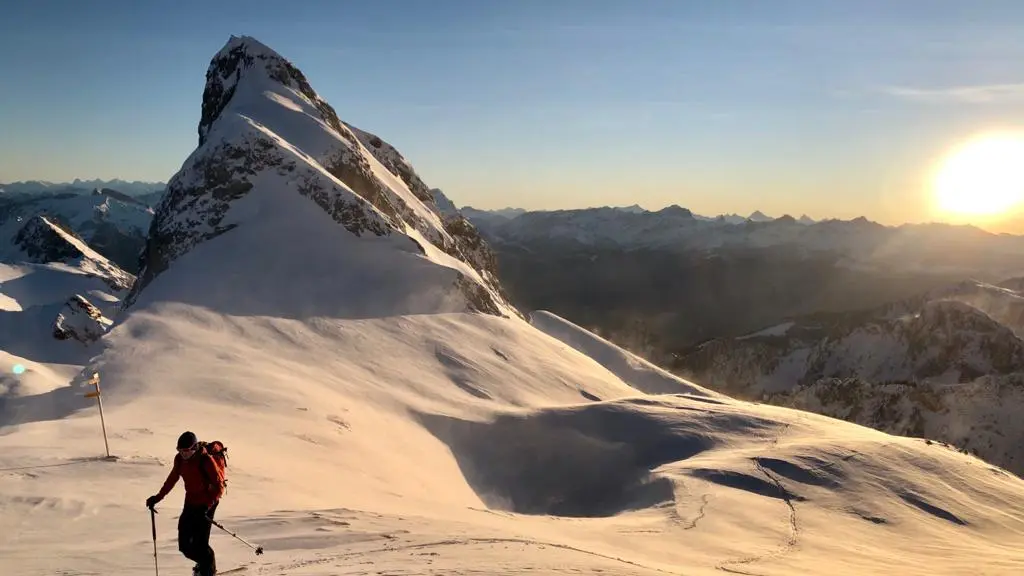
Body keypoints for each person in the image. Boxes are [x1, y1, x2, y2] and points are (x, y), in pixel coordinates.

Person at [146, 431, 225, 576]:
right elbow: (171, 480)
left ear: (194, 448)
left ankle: (207, 570)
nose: (183, 454)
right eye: (180, 450)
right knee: (184, 545)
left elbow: (219, 488)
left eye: (186, 451)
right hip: (190, 502)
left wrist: (207, 506)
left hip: (207, 504)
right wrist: (157, 498)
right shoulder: (180, 460)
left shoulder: (206, 461)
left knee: (200, 543)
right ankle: (204, 563)